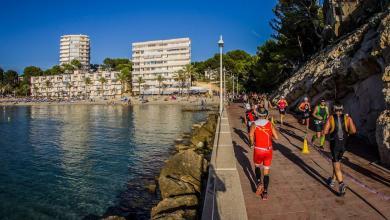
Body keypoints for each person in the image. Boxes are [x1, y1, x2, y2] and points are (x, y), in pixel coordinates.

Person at [323, 102, 356, 196]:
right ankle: (332, 180)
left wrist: (326, 131)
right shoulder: (348, 118)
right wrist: (347, 133)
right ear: (342, 109)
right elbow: (353, 131)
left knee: (336, 165)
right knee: (337, 162)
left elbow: (325, 131)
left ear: (333, 109)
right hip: (344, 145)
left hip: (335, 145)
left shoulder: (331, 118)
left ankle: (341, 184)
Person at [249, 110, 278, 200]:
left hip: (258, 150)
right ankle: (265, 192)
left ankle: (258, 182)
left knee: (257, 166)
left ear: (257, 115)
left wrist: (252, 143)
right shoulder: (270, 124)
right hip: (268, 150)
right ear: (266, 115)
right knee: (266, 172)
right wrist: (270, 136)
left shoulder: (254, 124)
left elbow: (250, 135)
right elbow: (276, 137)